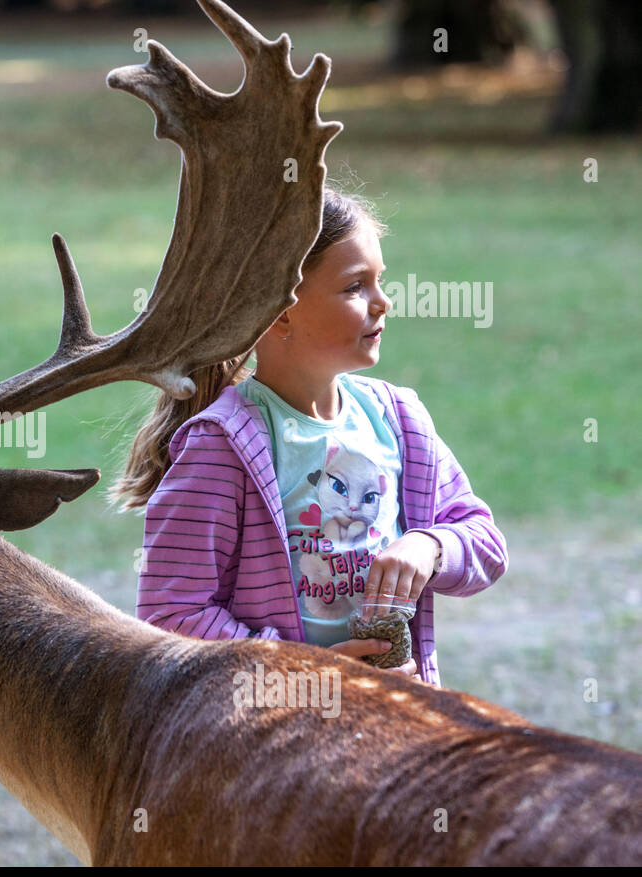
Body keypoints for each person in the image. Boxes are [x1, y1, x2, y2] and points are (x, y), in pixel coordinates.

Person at [112, 187, 507, 687]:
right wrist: (305, 674)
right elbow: (172, 615)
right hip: (277, 740)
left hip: (399, 713)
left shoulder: (398, 418)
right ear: (279, 311)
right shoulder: (222, 446)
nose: (382, 302)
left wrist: (429, 546)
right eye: (354, 287)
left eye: (379, 281)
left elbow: (484, 540)